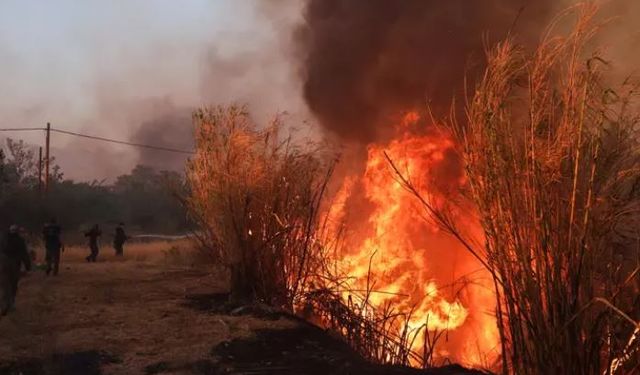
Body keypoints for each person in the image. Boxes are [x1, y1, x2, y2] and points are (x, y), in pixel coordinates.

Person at [0, 225, 32, 314]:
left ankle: (4, 305)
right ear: (17, 232)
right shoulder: (20, 240)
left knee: (4, 285)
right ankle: (11, 304)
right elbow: (24, 254)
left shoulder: (3, 239)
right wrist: (28, 266)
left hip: (3, 264)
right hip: (14, 265)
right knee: (13, 284)